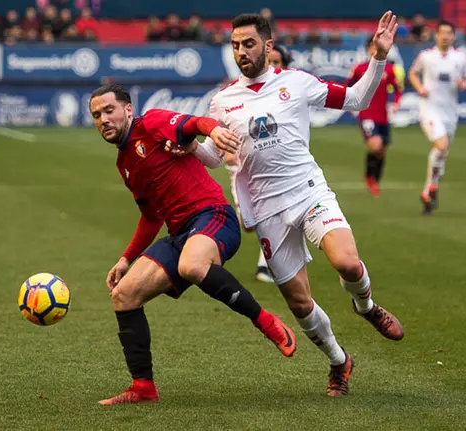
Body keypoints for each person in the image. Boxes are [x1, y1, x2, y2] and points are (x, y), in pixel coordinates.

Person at [171, 12, 404, 397]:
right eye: (235, 45)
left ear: (267, 45)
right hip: (267, 211)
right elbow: (213, 156)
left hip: (308, 192)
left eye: (249, 44)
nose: (241, 52)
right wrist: (191, 146)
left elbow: (356, 99)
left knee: (347, 263)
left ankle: (366, 307)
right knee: (299, 303)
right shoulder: (223, 102)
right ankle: (339, 361)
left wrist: (378, 57)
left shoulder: (297, 82)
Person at [89, 84, 297, 405]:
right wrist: (126, 258)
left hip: (214, 216)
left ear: (128, 110)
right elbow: (151, 218)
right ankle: (143, 388)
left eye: (109, 110)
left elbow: (194, 123)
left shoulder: (152, 124)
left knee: (192, 265)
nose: (103, 119)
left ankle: (265, 321)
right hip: (180, 234)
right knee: (124, 296)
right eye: (96, 115)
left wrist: (214, 131)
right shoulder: (125, 164)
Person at [224, 44, 292, 284]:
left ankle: (267, 265)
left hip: (277, 168)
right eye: (269, 61)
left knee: (280, 213)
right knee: (248, 223)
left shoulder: (290, 93)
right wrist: (228, 151)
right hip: (243, 167)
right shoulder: (241, 92)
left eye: (277, 62)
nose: (272, 66)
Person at [408, 21, 466, 215]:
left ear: (454, 36)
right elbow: (413, 73)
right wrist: (420, 87)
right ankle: (431, 187)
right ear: (436, 35)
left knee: (442, 153)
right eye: (442, 33)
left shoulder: (461, 57)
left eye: (449, 33)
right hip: (430, 109)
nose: (445, 36)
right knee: (441, 144)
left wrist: (465, 84)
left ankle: (429, 191)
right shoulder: (426, 56)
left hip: (450, 111)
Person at [346, 36, 403, 197]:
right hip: (367, 115)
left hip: (383, 116)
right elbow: (348, 86)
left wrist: (396, 102)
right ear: (368, 49)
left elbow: (397, 88)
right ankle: (369, 176)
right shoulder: (360, 68)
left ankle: (375, 179)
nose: (375, 49)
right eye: (373, 46)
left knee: (382, 151)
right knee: (375, 146)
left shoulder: (389, 69)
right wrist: (348, 103)